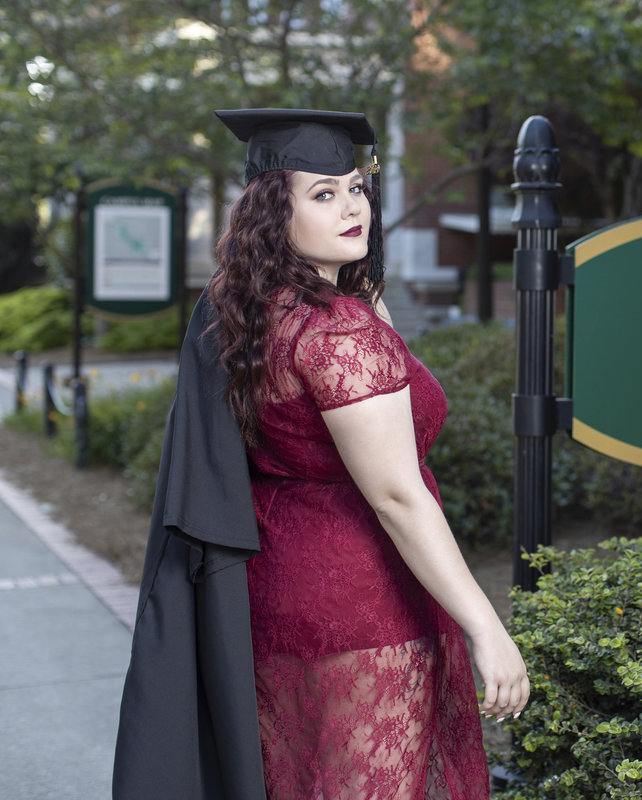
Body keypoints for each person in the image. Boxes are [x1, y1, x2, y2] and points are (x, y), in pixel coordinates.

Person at [115, 108, 527, 800]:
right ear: (275, 214)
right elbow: (397, 494)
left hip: (275, 593)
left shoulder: (248, 312)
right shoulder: (336, 334)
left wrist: (365, 301)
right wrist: (485, 626)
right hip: (364, 601)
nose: (351, 207)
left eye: (356, 188)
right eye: (323, 193)